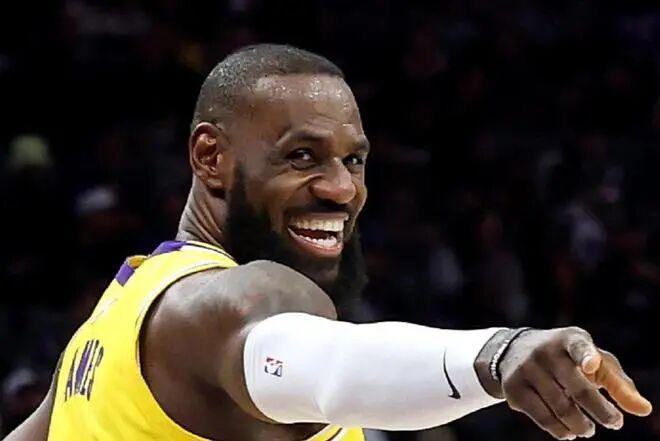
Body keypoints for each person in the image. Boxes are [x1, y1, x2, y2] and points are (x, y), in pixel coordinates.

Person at [5, 44, 652, 441]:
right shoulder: (237, 300)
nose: (342, 188)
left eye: (356, 161)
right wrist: (494, 353)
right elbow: (327, 364)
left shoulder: (108, 325)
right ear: (210, 157)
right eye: (302, 156)